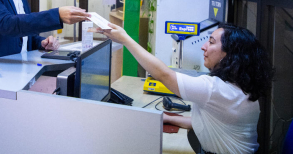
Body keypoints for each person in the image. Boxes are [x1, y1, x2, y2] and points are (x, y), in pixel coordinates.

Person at [96, 22, 273, 154]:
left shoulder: (215, 90)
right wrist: (169, 118)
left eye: (211, 42)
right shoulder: (239, 87)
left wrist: (125, 39)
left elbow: (163, 74)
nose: (204, 46)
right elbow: (210, 123)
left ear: (229, 55)